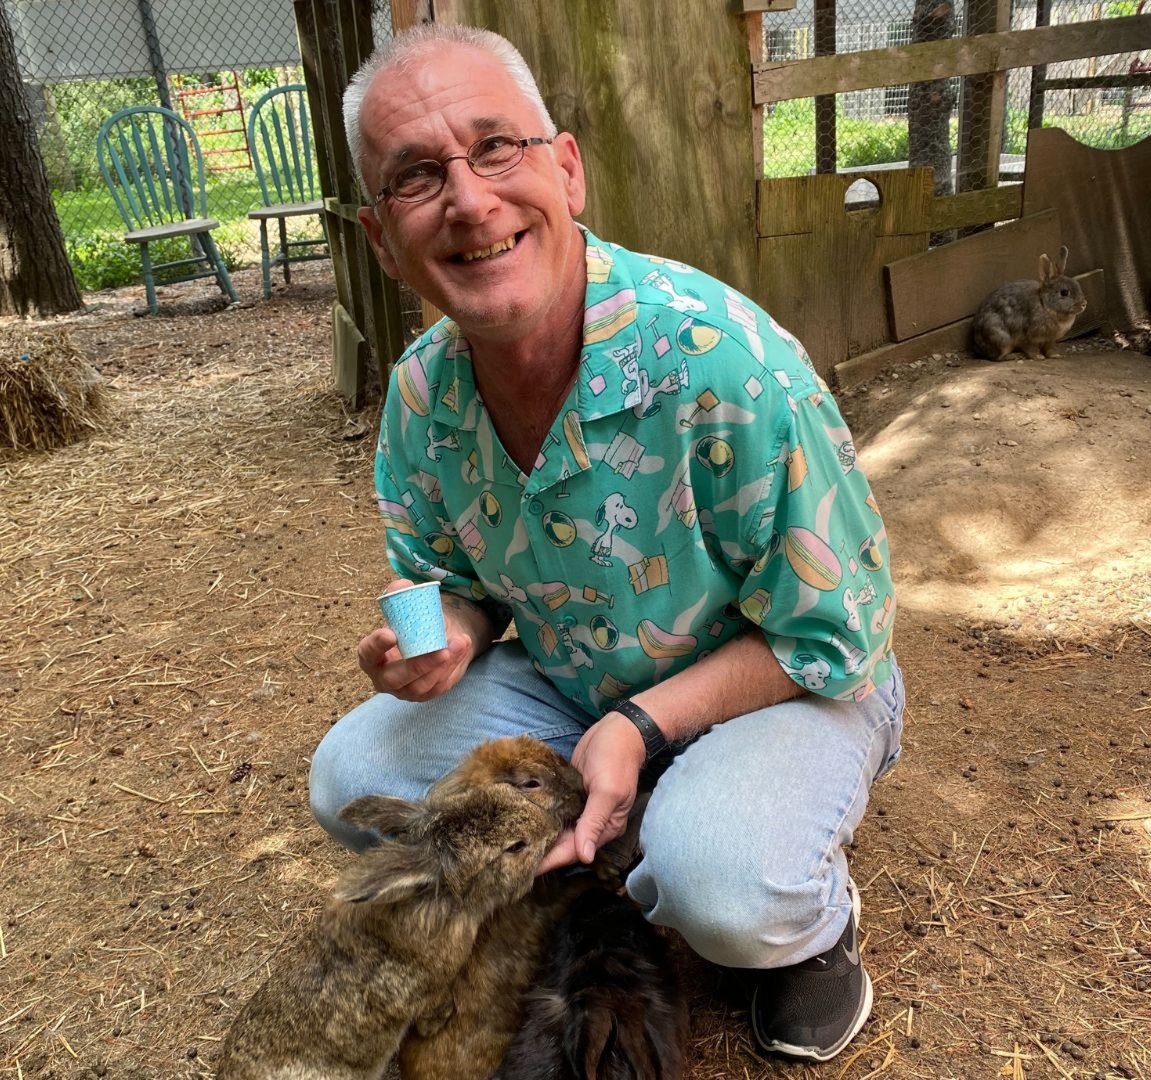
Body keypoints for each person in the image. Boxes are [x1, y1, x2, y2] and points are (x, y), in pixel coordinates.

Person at [310, 22, 905, 1065]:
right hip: (572, 680)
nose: (468, 199)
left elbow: (836, 631)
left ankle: (805, 927)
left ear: (567, 169)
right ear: (380, 236)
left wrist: (640, 723)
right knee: (350, 775)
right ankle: (620, 842)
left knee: (721, 886)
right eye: (416, 175)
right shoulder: (419, 395)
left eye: (497, 148)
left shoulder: (727, 370)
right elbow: (440, 574)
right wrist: (436, 634)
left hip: (783, 679)